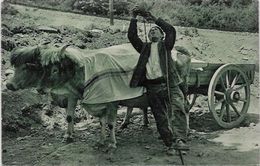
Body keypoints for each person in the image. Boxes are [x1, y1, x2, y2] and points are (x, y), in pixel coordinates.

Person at [127, 7, 188, 155]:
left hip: (169, 84)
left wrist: (153, 18)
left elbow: (171, 30)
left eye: (156, 30)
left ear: (162, 35)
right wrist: (134, 17)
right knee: (160, 118)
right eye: (151, 31)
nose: (153, 31)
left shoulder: (166, 45)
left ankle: (180, 140)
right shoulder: (144, 48)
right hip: (153, 88)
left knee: (177, 109)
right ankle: (170, 144)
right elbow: (132, 36)